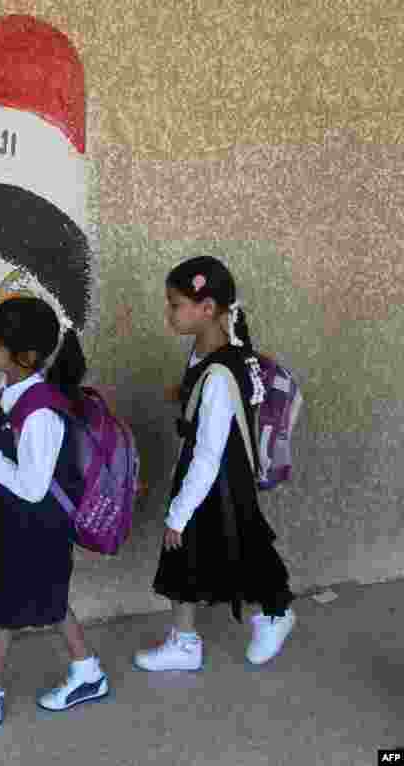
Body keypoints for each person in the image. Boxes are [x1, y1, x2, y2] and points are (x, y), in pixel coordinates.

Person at [0, 296, 109, 736]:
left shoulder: (42, 409)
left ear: (25, 357)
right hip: (22, 520)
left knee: (6, 610)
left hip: (37, 525)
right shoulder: (18, 393)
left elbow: (31, 483)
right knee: (48, 599)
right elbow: (13, 438)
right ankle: (88, 674)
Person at [135, 256, 295, 673]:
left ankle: (274, 614)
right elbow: (205, 388)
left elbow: (208, 451)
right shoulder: (213, 349)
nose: (169, 312)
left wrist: (179, 512)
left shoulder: (222, 373)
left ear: (207, 309)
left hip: (217, 479)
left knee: (234, 548)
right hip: (210, 472)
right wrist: (185, 391)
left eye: (174, 304)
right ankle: (185, 642)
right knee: (187, 556)